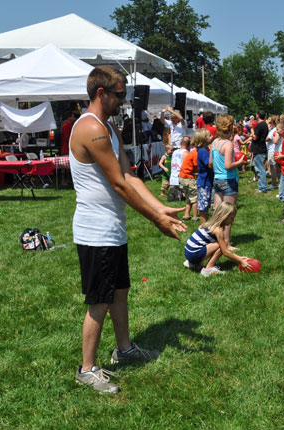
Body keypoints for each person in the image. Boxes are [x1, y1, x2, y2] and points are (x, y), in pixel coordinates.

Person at [69, 66, 186, 393]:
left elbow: (131, 175)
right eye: (120, 94)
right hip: (96, 230)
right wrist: (155, 220)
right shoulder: (90, 129)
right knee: (100, 300)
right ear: (101, 93)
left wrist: (160, 207)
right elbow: (119, 184)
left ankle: (124, 349)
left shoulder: (108, 127)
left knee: (119, 291)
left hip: (112, 228)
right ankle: (87, 368)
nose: (125, 100)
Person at [183, 202, 252, 277]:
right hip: (194, 254)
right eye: (231, 218)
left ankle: (192, 263)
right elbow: (225, 251)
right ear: (224, 216)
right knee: (223, 244)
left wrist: (239, 258)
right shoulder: (218, 229)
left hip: (188, 253)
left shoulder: (210, 223)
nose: (233, 221)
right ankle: (208, 269)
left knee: (220, 244)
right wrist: (240, 261)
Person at [212, 114, 247, 248]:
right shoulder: (228, 144)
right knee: (228, 214)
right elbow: (228, 165)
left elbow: (211, 163)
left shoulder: (214, 143)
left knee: (218, 213)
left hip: (217, 179)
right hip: (228, 180)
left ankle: (216, 240)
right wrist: (240, 162)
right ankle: (226, 243)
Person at [194, 129, 214, 223]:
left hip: (207, 182)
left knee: (206, 206)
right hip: (204, 183)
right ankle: (203, 227)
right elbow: (209, 164)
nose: (212, 137)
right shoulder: (203, 151)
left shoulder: (204, 150)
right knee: (203, 207)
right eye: (209, 135)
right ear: (204, 139)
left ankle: (205, 226)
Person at [178, 137, 199, 221]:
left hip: (182, 177)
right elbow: (196, 166)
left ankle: (186, 215)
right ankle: (195, 217)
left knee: (188, 197)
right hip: (188, 177)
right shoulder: (195, 153)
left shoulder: (192, 152)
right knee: (195, 198)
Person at [250, 110, 269, 192]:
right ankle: (262, 186)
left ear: (257, 115)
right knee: (260, 169)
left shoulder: (260, 125)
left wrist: (251, 129)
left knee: (260, 169)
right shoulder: (264, 124)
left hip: (259, 150)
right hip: (261, 148)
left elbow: (255, 137)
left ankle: (262, 188)